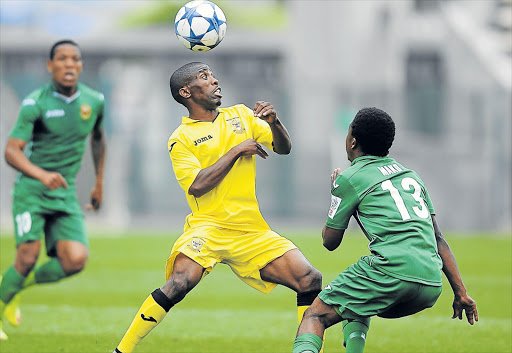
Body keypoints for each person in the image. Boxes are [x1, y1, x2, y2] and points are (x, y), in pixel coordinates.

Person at [113, 62, 323, 353]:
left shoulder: (241, 115)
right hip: (208, 227)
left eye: (212, 75)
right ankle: (122, 350)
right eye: (204, 77)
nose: (214, 80)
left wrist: (274, 122)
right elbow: (197, 185)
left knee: (309, 278)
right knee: (180, 282)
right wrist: (237, 150)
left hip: (250, 230)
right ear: (186, 92)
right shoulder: (180, 139)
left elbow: (283, 148)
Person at [293, 107, 479, 353]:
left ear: (352, 141)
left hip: (391, 273)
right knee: (356, 301)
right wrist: (461, 292)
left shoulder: (349, 178)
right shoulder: (410, 176)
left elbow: (330, 241)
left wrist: (336, 196)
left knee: (314, 316)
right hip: (431, 283)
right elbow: (437, 237)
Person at [0, 39, 106, 341]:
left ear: (81, 65)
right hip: (32, 190)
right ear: (50, 66)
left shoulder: (94, 100)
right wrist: (42, 175)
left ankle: (13, 285)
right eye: (61, 59)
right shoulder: (35, 103)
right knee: (27, 257)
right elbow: (12, 151)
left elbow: (98, 138)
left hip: (65, 192)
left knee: (75, 260)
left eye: (75, 59)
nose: (69, 64)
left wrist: (98, 182)